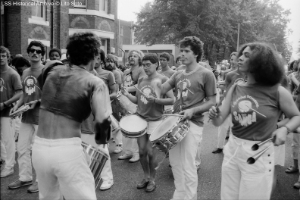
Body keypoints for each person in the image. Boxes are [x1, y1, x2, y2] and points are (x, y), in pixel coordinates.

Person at [209, 42, 300, 200]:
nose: (240, 58)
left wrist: (284, 129)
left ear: (261, 62)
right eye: (241, 54)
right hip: (232, 149)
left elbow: (296, 116)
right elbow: (218, 121)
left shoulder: (277, 91)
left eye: (247, 55)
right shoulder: (236, 87)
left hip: (259, 153)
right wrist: (214, 115)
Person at [32, 32, 112, 200]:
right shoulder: (95, 83)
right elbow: (102, 129)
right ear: (95, 55)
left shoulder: (50, 74)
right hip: (67, 151)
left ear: (68, 53)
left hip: (39, 148)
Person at [161, 36, 217, 200]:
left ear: (196, 54)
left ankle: (190, 197)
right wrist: (152, 78)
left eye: (186, 51)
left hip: (193, 123)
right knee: (175, 164)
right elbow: (163, 88)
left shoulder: (206, 74)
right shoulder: (178, 73)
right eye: (181, 50)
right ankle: (179, 194)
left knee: (188, 165)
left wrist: (193, 111)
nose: (182, 54)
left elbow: (212, 101)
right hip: (175, 123)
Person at [122, 53, 175, 192]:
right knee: (141, 152)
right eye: (143, 65)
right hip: (141, 119)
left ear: (156, 64)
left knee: (151, 153)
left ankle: (153, 179)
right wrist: (127, 94)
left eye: (148, 65)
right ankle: (146, 177)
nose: (145, 68)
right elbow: (137, 100)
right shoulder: (141, 79)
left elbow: (172, 99)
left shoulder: (163, 79)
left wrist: (156, 100)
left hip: (155, 121)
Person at [8, 41, 46, 193]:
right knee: (22, 148)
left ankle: (40, 181)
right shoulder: (25, 72)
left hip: (41, 117)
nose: (35, 53)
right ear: (28, 53)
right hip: (26, 116)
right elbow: (25, 93)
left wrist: (37, 102)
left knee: (38, 151)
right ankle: (25, 177)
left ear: (42, 54)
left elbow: (51, 95)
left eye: (38, 51)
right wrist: (16, 106)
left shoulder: (46, 71)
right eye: (32, 51)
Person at [80, 51, 115, 191]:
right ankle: (90, 178)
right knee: (85, 153)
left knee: (102, 151)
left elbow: (103, 103)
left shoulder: (95, 77)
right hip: (83, 122)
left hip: (97, 121)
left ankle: (107, 178)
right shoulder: (80, 76)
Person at [211, 51, 244, 154]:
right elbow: (225, 89)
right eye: (232, 60)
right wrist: (221, 101)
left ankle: (234, 148)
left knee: (237, 125)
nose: (233, 62)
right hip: (228, 101)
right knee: (222, 125)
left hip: (241, 103)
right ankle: (220, 146)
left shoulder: (248, 74)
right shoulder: (229, 74)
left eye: (235, 59)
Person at [118, 50, 146, 163]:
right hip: (125, 101)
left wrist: (126, 91)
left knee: (135, 127)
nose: (132, 58)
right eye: (130, 56)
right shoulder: (125, 72)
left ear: (139, 58)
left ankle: (136, 153)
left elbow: (140, 85)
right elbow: (122, 85)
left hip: (136, 101)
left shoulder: (142, 70)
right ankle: (127, 151)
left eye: (135, 56)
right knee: (125, 126)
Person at [0, 46, 23, 178]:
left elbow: (20, 93)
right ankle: (4, 161)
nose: (1, 58)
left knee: (8, 140)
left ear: (8, 57)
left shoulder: (12, 74)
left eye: (3, 55)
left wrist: (5, 104)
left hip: (7, 111)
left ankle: (9, 166)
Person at [105, 54, 124, 154]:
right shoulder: (105, 72)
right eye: (107, 61)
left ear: (115, 63)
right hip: (106, 102)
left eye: (111, 61)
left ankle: (119, 145)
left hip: (115, 101)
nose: (109, 63)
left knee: (117, 124)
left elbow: (116, 90)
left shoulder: (116, 73)